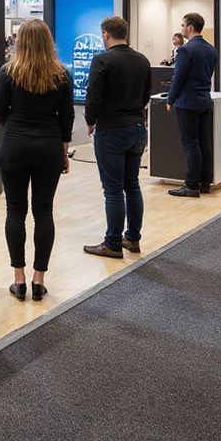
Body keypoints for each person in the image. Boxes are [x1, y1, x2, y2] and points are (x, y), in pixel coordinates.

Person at [0, 18, 72, 303]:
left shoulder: (8, 72)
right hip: (48, 147)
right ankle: (39, 280)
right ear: (49, 42)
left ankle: (19, 279)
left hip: (14, 146)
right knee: (44, 212)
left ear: (20, 42)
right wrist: (63, 150)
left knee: (15, 212)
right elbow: (67, 118)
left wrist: (16, 126)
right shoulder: (61, 74)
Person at [82, 16, 152, 259]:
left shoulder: (102, 60)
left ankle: (112, 243)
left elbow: (93, 95)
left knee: (112, 189)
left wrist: (90, 121)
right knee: (132, 184)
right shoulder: (142, 60)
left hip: (111, 129)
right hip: (136, 128)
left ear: (105, 35)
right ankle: (132, 238)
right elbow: (146, 95)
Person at [166, 12, 218, 198]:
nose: (181, 29)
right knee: (204, 142)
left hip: (187, 103)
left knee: (191, 144)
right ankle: (205, 182)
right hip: (205, 100)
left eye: (182, 26)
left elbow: (178, 79)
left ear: (189, 27)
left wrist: (170, 99)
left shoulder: (185, 50)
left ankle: (191, 185)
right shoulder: (211, 49)